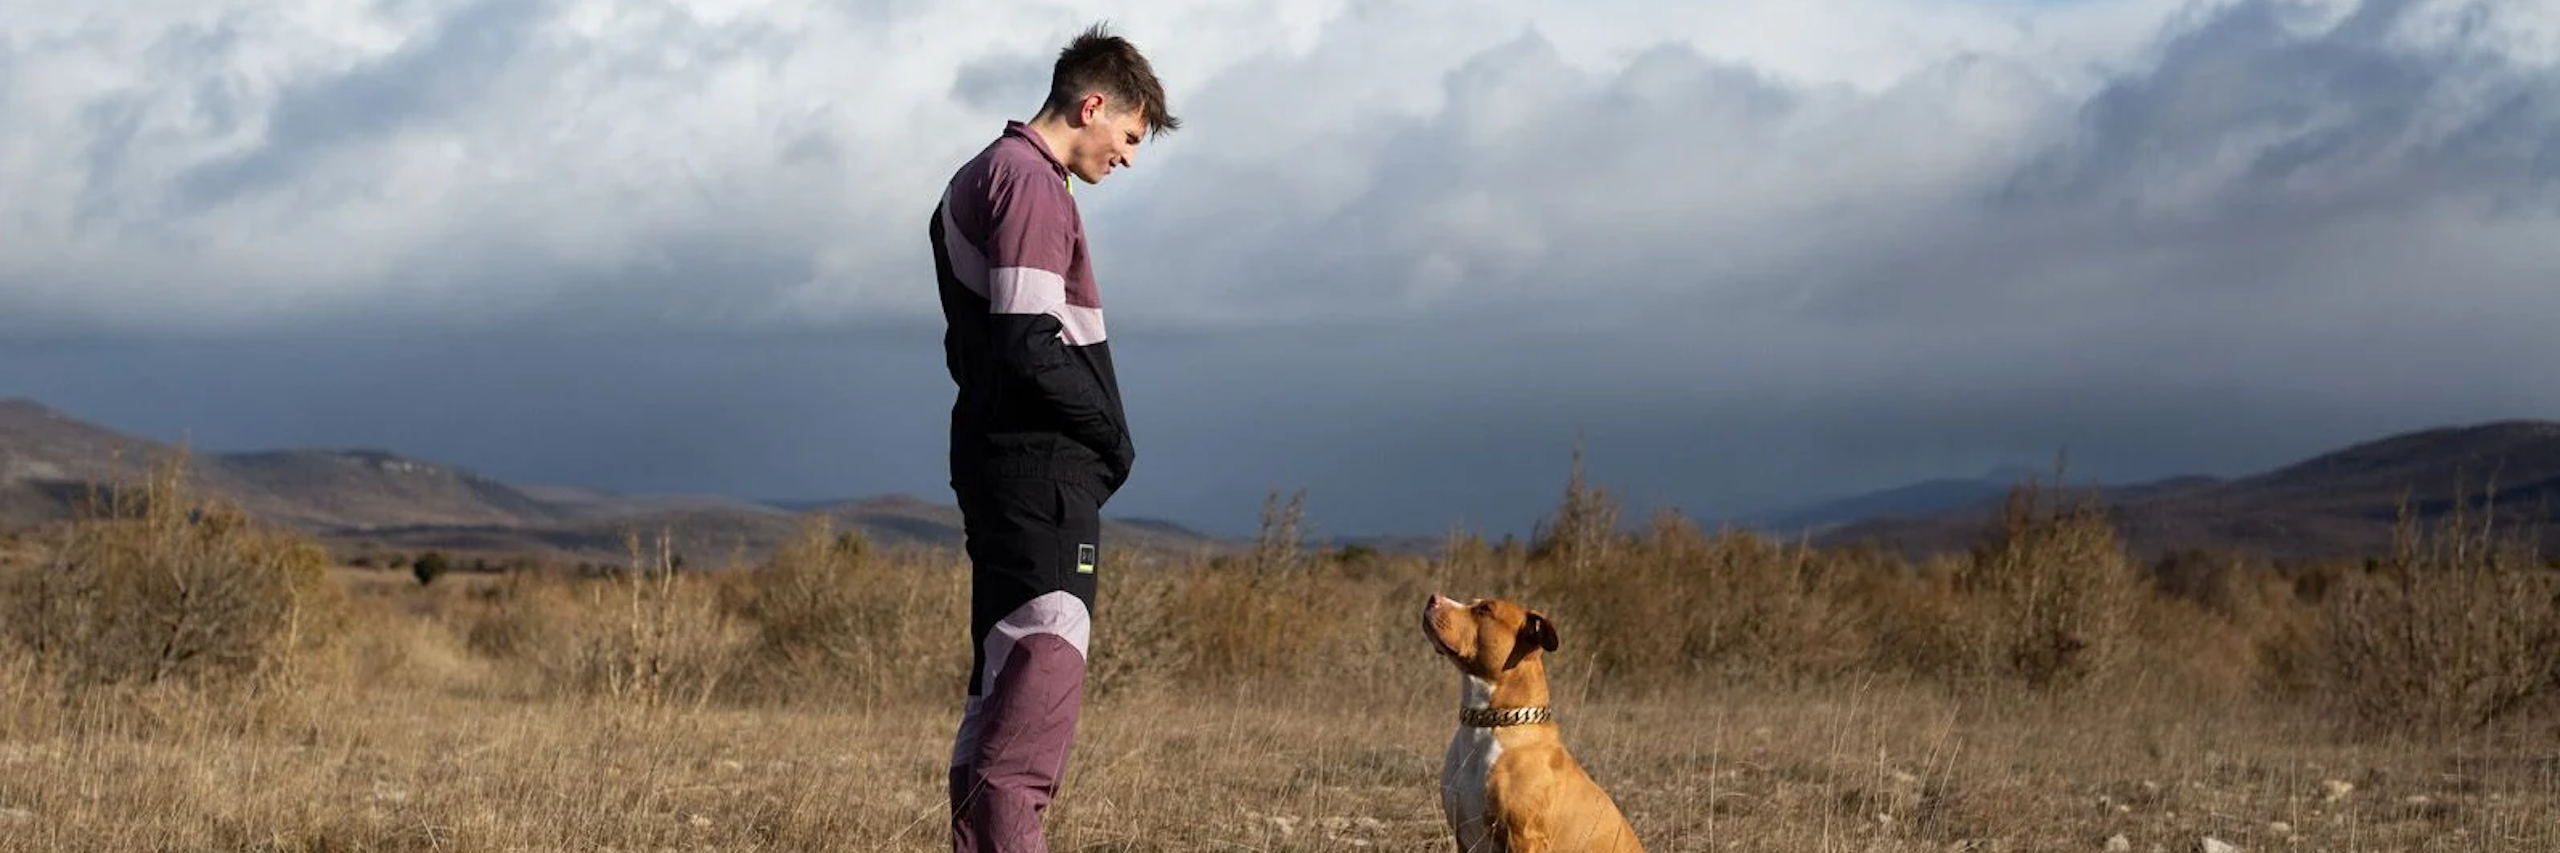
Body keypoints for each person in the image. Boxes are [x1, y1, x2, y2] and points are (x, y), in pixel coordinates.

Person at [924, 21, 1179, 853]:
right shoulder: (1027, 180)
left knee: (1001, 700)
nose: (1131, 157)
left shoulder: (991, 175)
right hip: (1038, 479)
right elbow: (1028, 340)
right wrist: (1113, 436)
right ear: (1094, 104)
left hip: (1012, 470)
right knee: (1029, 718)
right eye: (1131, 136)